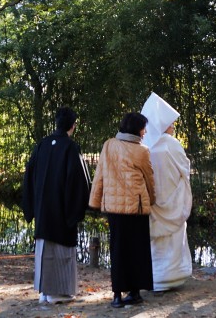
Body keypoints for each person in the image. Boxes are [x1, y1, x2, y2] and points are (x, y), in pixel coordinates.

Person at [21, 106, 91, 306]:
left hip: (43, 211)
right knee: (61, 251)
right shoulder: (70, 147)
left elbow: (29, 177)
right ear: (72, 126)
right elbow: (78, 181)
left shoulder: (42, 144)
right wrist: (75, 210)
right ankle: (58, 292)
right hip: (62, 211)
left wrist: (32, 206)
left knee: (45, 250)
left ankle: (44, 290)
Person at [89, 112, 157, 308]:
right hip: (135, 208)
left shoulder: (108, 145)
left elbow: (99, 174)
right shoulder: (142, 151)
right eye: (143, 128)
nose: (145, 132)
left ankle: (117, 295)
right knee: (137, 250)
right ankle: (134, 292)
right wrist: (151, 200)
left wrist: (94, 201)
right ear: (137, 129)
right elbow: (149, 179)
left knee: (118, 250)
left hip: (113, 208)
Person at [141, 93, 193, 291]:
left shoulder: (144, 145)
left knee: (156, 240)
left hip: (153, 201)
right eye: (170, 122)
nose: (173, 126)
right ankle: (172, 276)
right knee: (172, 240)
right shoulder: (171, 144)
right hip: (172, 198)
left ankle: (155, 276)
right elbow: (184, 168)